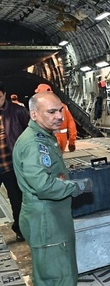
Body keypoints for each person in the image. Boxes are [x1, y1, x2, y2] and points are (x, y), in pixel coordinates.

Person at [12, 92, 93, 285]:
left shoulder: (44, 136)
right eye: (51, 112)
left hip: (51, 215)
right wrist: (77, 186)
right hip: (46, 219)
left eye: (60, 110)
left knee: (58, 269)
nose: (59, 116)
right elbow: (43, 186)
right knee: (58, 276)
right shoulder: (34, 144)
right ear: (34, 114)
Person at [0, 83, 29, 242]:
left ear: (4, 95)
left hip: (11, 166)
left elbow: (31, 131)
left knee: (17, 200)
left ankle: (20, 229)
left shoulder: (17, 111)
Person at [35, 84, 77, 153]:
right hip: (63, 137)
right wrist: (72, 141)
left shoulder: (41, 108)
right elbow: (71, 123)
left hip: (49, 137)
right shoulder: (63, 106)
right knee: (59, 158)